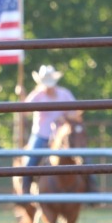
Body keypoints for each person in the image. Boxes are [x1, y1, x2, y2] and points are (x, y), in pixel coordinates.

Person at [20, 65, 78, 196]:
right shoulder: (37, 95)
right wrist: (22, 97)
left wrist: (64, 116)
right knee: (30, 162)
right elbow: (24, 112)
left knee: (82, 157)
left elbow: (76, 113)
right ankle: (25, 193)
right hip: (41, 135)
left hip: (63, 137)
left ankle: (90, 188)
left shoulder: (64, 93)